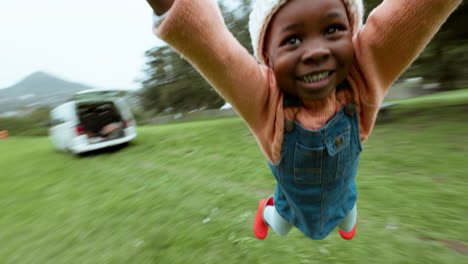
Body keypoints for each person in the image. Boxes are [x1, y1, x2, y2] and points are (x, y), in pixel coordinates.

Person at [145, 0, 461, 240]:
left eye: (332, 30)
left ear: (353, 36)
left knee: (346, 218)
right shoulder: (265, 102)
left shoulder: (362, 80)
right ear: (267, 59)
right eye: (293, 40)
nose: (315, 52)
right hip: (291, 205)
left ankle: (342, 217)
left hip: (342, 197)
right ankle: (266, 210)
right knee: (281, 226)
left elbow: (412, 15)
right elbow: (212, 47)